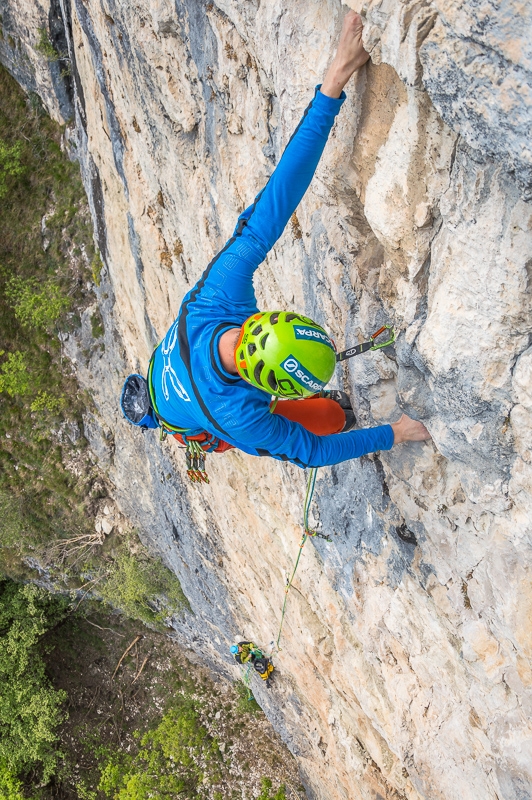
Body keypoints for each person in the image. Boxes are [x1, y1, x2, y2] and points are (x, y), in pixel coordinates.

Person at [120, 12, 430, 469]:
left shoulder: (219, 292)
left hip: (181, 372)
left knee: (327, 415)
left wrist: (336, 75)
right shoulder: (236, 420)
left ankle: (162, 398)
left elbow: (280, 197)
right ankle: (161, 413)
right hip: (193, 417)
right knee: (325, 418)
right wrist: (394, 434)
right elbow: (311, 453)